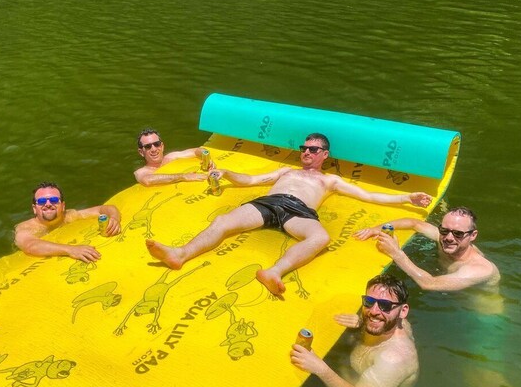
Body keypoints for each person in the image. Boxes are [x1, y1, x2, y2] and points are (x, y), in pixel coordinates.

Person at [146, 133, 432, 298]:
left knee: (321, 236)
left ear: (324, 154)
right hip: (270, 202)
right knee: (223, 222)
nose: (306, 152)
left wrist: (407, 197)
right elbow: (250, 181)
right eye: (304, 148)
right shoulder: (287, 171)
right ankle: (180, 254)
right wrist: (226, 172)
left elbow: (369, 196)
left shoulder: (329, 180)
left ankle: (273, 272)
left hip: (299, 210)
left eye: (313, 149)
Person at [290, 274, 419, 387]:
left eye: (385, 305)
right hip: (354, 378)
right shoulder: (396, 322)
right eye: (369, 301)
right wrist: (362, 322)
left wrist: (321, 369)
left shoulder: (394, 359)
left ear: (403, 311)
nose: (374, 311)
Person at [354, 206, 500, 292]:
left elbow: (429, 283)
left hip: (482, 314)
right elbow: (414, 223)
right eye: (444, 230)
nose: (449, 237)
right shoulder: (446, 238)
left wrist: (396, 253)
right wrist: (375, 229)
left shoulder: (479, 269)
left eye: (458, 233)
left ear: (473, 235)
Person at [14, 181, 122, 263]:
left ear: (63, 206)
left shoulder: (70, 216)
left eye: (54, 200)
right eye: (41, 201)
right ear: (34, 208)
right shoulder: (26, 228)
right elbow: (30, 246)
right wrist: (70, 250)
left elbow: (105, 209)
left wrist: (114, 218)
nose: (47, 204)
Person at [134, 128, 212, 186]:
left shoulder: (171, 157)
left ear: (162, 146)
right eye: (148, 146)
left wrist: (206, 157)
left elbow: (197, 151)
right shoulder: (141, 172)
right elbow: (148, 180)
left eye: (156, 144)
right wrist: (183, 176)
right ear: (141, 152)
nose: (153, 149)